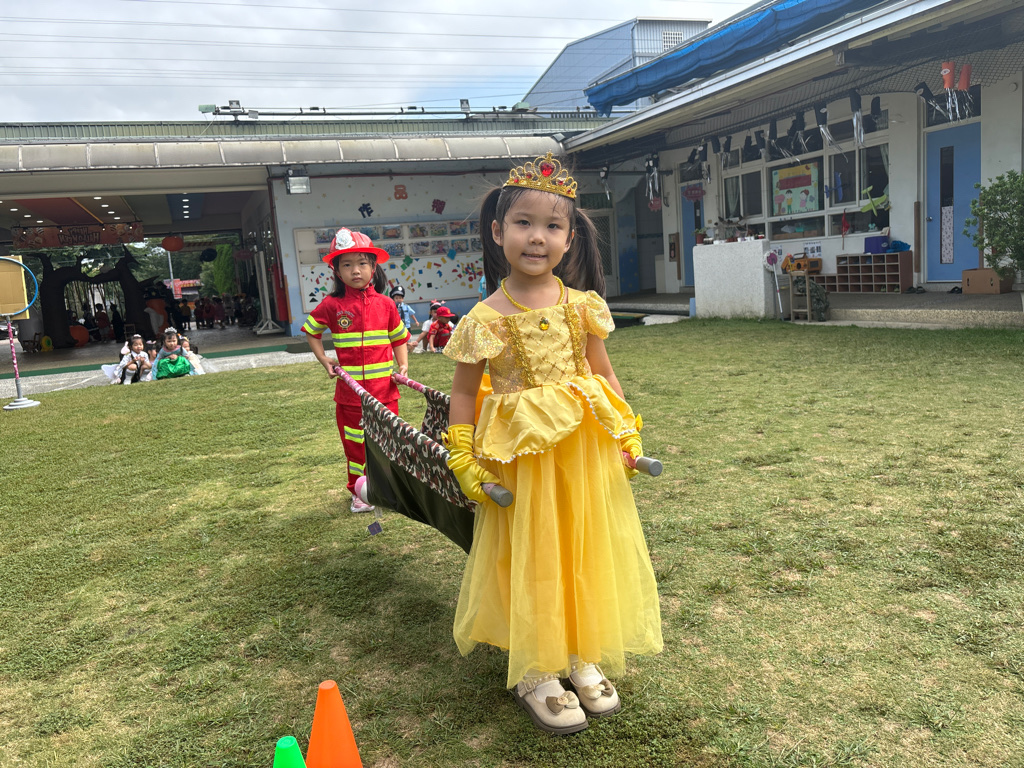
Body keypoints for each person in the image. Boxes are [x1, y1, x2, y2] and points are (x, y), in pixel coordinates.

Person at [442, 153, 662, 735]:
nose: (536, 237)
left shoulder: (582, 306)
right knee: (533, 551)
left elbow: (603, 373)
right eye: (523, 222)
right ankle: (536, 668)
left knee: (583, 545)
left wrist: (625, 432)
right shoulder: (483, 318)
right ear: (498, 232)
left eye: (552, 226)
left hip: (583, 453)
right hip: (524, 459)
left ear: (569, 238)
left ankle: (581, 651)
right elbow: (463, 393)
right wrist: (462, 454)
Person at [302, 227, 410, 513]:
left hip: (385, 393)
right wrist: (324, 359)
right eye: (347, 265)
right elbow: (312, 331)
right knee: (355, 444)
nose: (355, 270)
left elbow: (399, 338)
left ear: (374, 267)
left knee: (389, 441)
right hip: (350, 398)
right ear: (337, 272)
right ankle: (359, 491)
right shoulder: (331, 305)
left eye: (362, 263)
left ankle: (388, 487)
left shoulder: (386, 304)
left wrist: (403, 365)